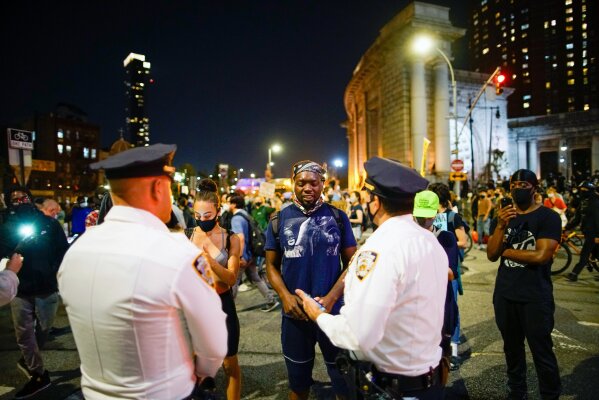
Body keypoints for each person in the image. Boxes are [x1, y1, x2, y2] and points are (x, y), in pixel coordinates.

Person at [58, 144, 227, 399]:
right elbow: (213, 344)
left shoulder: (76, 251)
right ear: (158, 188)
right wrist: (202, 371)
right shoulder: (177, 253)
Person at [296, 157, 447, 399]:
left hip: (393, 386)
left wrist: (319, 315)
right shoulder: (429, 241)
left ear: (375, 202)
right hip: (429, 381)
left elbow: (359, 335)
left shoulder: (380, 248)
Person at [265, 160, 357, 400]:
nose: (307, 188)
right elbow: (271, 267)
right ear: (293, 184)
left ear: (323, 184)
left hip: (332, 315)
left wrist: (331, 298)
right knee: (298, 385)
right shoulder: (278, 220)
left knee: (345, 383)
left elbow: (353, 264)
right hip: (295, 317)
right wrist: (285, 297)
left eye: (313, 183)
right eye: (301, 183)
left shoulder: (339, 217)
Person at [487, 169, 562, 400]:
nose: (518, 188)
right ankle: (517, 391)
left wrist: (506, 251)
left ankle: (549, 394)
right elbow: (491, 254)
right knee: (512, 350)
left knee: (541, 351)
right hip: (505, 295)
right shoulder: (503, 217)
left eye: (523, 184)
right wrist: (500, 226)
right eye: (514, 184)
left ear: (534, 188)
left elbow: (541, 256)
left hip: (535, 297)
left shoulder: (548, 217)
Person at [0, 185, 69, 399]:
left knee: (45, 328)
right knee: (24, 334)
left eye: (23, 197)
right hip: (19, 290)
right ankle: (38, 373)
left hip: (46, 288)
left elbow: (62, 251)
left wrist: (57, 274)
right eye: (15, 199)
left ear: (30, 199)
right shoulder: (5, 226)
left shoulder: (49, 224)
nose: (19, 201)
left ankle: (29, 358)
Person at [190, 179, 242, 400]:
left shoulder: (231, 238)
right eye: (198, 216)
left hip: (223, 304)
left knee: (230, 364)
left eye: (208, 216)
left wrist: (210, 262)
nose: (203, 221)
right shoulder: (186, 235)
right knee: (193, 366)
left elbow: (231, 278)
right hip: (195, 306)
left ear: (218, 212)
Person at [428, 182, 468, 370]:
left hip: (449, 266)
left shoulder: (453, 217)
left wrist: (446, 240)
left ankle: (453, 350)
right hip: (430, 266)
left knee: (451, 306)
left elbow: (463, 241)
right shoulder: (428, 215)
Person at [229, 194, 278, 311]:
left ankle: (228, 308)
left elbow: (240, 238)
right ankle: (271, 300)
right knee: (255, 277)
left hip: (244, 255)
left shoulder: (236, 218)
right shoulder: (245, 214)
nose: (227, 205)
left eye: (229, 202)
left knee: (234, 280)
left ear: (234, 204)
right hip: (251, 253)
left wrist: (239, 256)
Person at [566, 181, 599, 281]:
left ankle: (574, 273)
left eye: (585, 190)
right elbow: (577, 218)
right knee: (596, 254)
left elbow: (597, 220)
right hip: (587, 232)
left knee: (584, 254)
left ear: (591, 191)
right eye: (581, 189)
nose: (582, 191)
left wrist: (598, 235)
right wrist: (567, 227)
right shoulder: (584, 202)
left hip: (594, 233)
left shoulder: (596, 202)